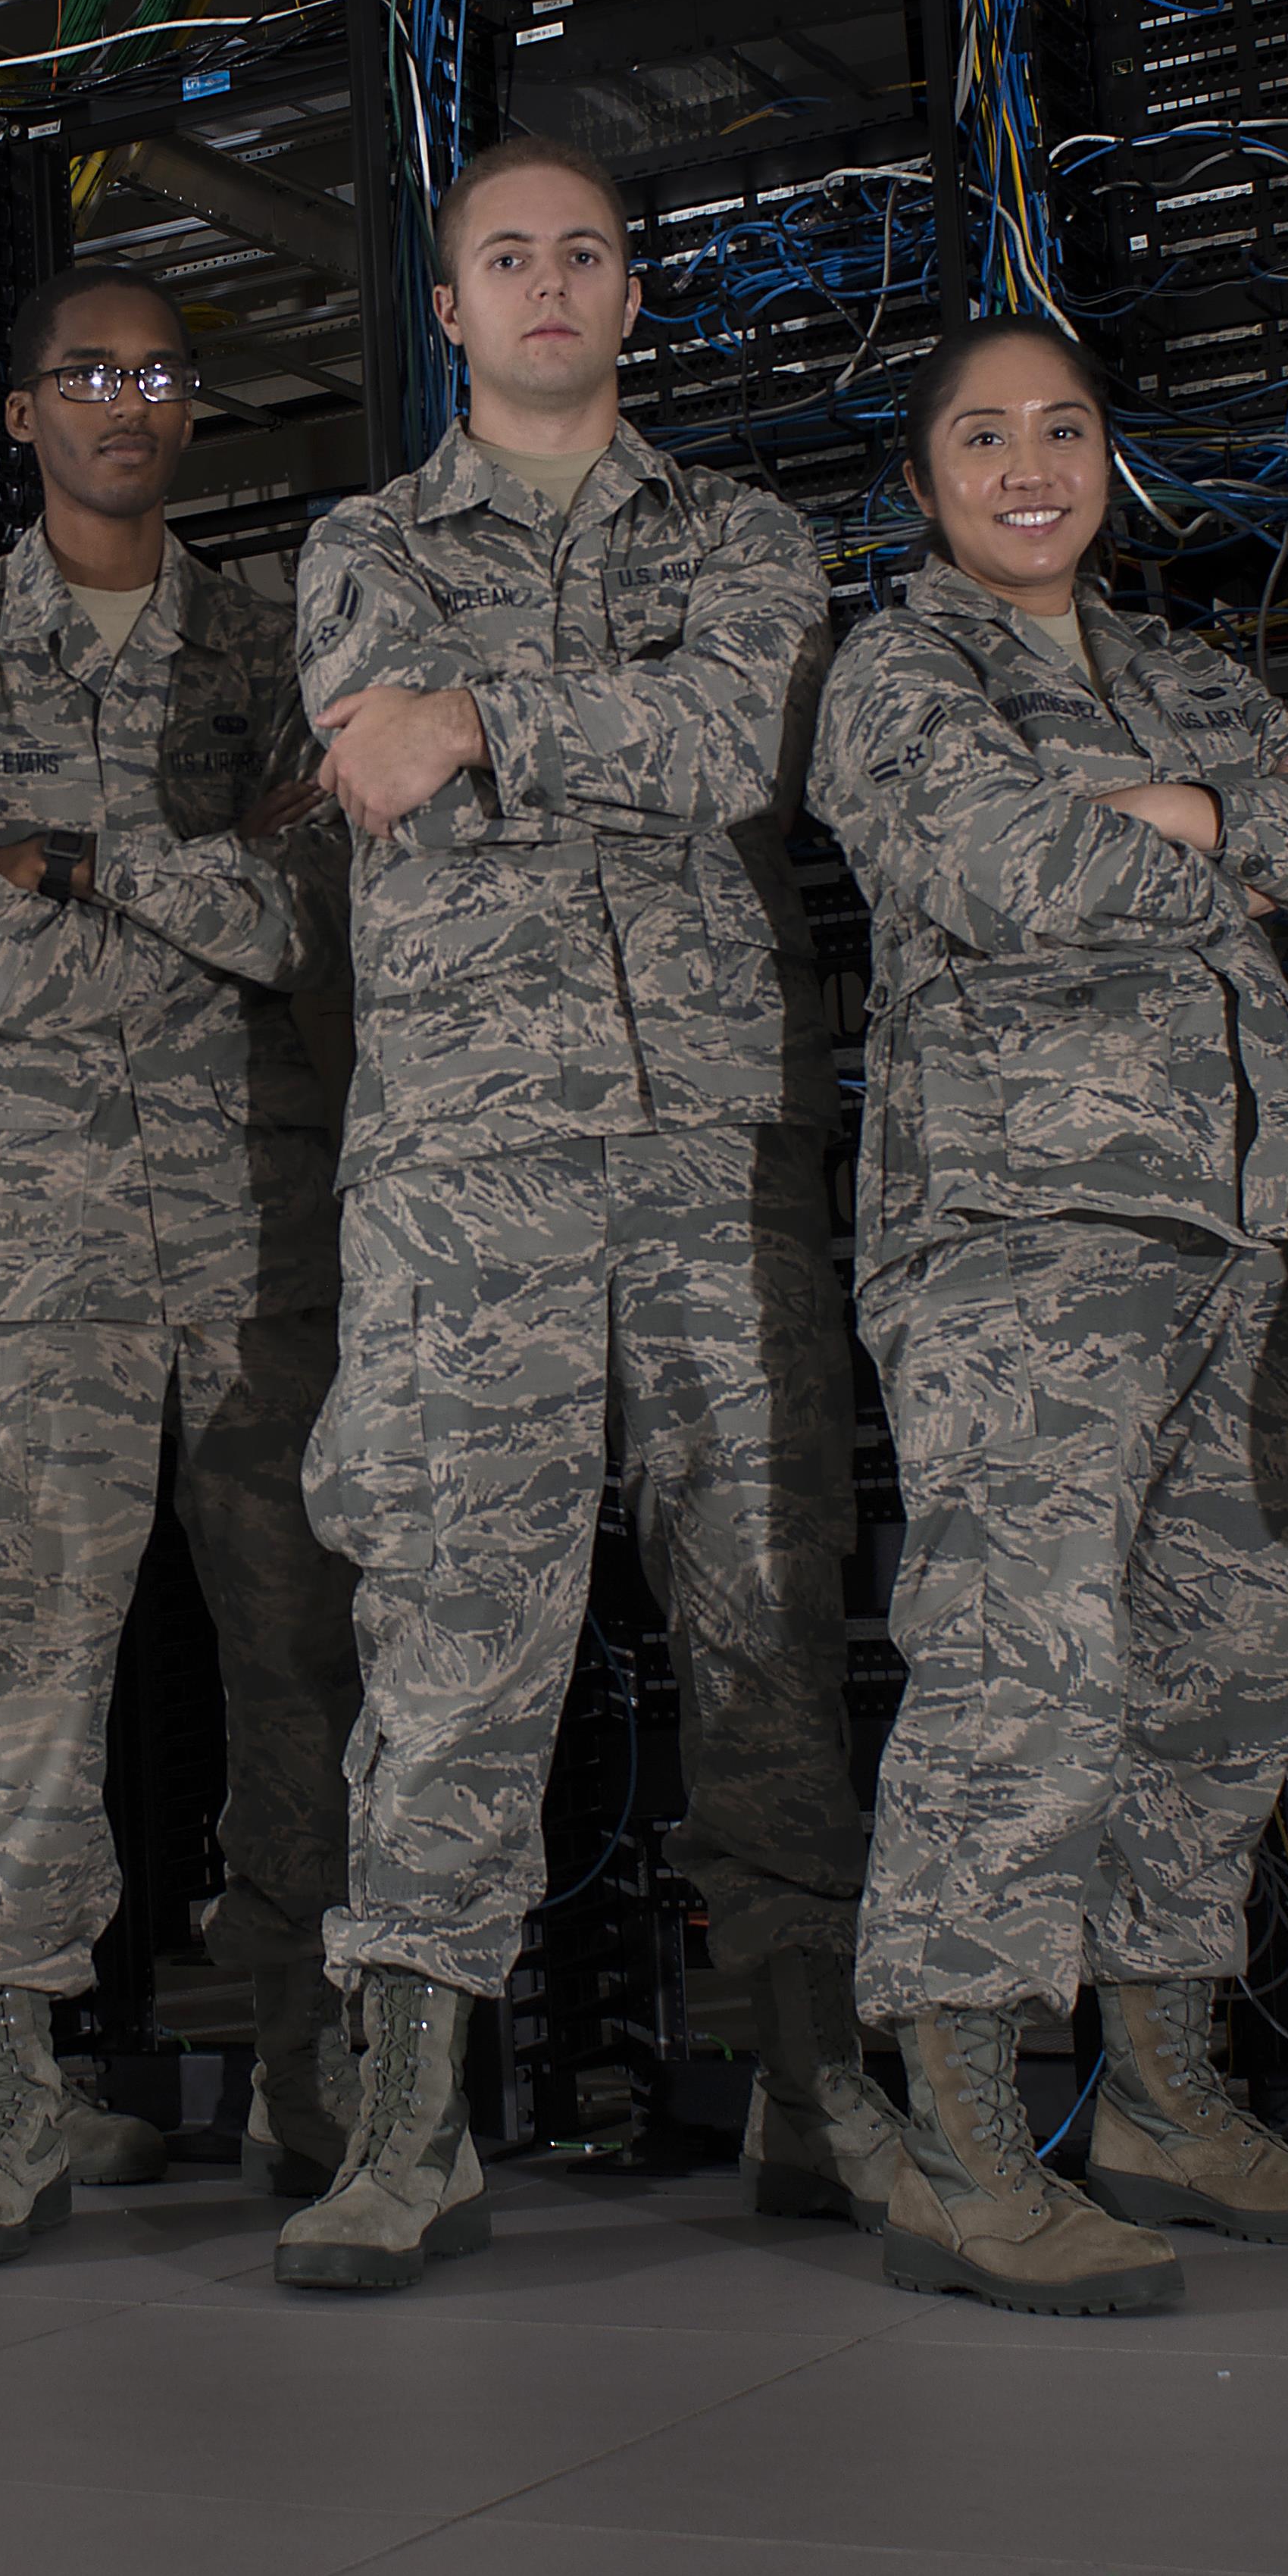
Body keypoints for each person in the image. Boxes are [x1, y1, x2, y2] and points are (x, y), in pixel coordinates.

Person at [280, 133, 893, 2290]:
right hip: (466, 1173)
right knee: (451, 1648)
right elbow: (372, 750)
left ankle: (821, 2084)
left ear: (634, 298)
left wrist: (489, 718)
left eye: (586, 254)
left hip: (716, 1157)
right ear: (449, 311)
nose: (549, 282)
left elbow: (752, 732)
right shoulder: (361, 542)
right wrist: (469, 725)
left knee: (769, 1628)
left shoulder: (746, 534)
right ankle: (410, 2117)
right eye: (503, 257)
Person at [806, 317, 1288, 2313]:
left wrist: (1187, 813)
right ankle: (967, 2142)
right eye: (983, 434)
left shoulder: (1173, 673)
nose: (1030, 462)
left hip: (1245, 1227)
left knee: (1224, 1670)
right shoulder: (898, 669)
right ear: (923, 483)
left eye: (1067, 423)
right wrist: (1199, 827)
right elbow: (996, 868)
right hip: (1022, 1237)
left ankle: (1159, 2089)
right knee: (1019, 1672)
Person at [0, 273, 369, 2265]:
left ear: (194, 403)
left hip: (261, 1228)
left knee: (303, 1661)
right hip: (19, 1247)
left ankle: (322, 2064)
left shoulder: (276, 635)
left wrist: (64, 859)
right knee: (5, 1663)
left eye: (157, 370)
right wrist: (201, 879)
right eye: (87, 370)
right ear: (21, 408)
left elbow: (323, 902)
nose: (124, 399)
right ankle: (1, 2089)